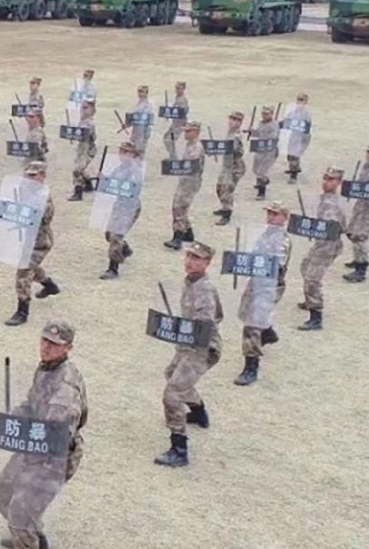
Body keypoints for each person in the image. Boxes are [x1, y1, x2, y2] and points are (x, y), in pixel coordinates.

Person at [0, 321, 87, 549]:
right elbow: (33, 403)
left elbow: (56, 434)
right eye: (44, 340)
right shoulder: (48, 366)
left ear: (68, 348)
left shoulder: (65, 388)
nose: (46, 347)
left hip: (55, 455)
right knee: (3, 490)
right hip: (34, 444)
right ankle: (34, 539)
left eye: (54, 344)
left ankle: (26, 536)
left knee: (20, 517)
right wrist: (13, 420)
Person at [155, 242, 222, 467]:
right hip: (188, 342)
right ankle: (199, 412)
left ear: (207, 263)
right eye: (189, 256)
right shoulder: (191, 282)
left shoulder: (203, 288)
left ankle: (179, 448)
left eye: (196, 258)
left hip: (201, 347)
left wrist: (182, 329)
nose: (190, 261)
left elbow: (207, 321)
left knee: (172, 393)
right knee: (172, 373)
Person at [234, 202, 291, 386]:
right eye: (269, 213)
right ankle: (267, 332)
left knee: (251, 323)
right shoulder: (265, 234)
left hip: (270, 284)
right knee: (245, 311)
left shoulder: (282, 240)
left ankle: (251, 366)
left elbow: (277, 265)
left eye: (276, 214)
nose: (271, 217)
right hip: (257, 281)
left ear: (284, 218)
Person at [6, 161, 59, 326]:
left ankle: (22, 311)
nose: (29, 179)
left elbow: (44, 218)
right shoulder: (24, 191)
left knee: (23, 273)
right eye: (27, 175)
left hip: (40, 242)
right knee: (32, 269)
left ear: (42, 176)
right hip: (26, 239)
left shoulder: (44, 197)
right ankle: (49, 285)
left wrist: (27, 207)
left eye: (33, 176)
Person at [298, 168, 348, 331]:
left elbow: (334, 227)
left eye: (331, 179)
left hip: (327, 246)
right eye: (325, 178)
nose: (326, 182)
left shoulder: (332, 204)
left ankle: (316, 316)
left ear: (338, 182)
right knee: (305, 266)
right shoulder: (326, 199)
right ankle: (309, 300)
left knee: (313, 279)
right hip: (321, 243)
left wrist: (314, 229)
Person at [343, 144, 369, 284]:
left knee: (360, 237)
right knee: (352, 233)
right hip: (361, 206)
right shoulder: (366, 167)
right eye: (368, 153)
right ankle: (357, 259)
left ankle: (361, 268)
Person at [99, 142, 142, 280]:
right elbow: (111, 182)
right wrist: (103, 178)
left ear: (133, 155)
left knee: (116, 236)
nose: (123, 155)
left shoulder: (135, 171)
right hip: (119, 205)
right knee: (109, 234)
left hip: (130, 206)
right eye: (122, 152)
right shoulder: (119, 168)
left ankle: (113, 268)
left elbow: (131, 189)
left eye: (127, 153)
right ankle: (124, 248)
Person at [164, 121, 204, 250]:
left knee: (179, 207)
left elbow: (191, 165)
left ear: (196, 132)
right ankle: (188, 233)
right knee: (182, 206)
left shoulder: (196, 147)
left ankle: (178, 237)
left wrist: (174, 167)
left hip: (190, 181)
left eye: (188, 131)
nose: (185, 134)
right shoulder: (190, 145)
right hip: (186, 180)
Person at [214, 111, 247, 226]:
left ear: (240, 122)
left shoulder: (236, 136)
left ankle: (227, 214)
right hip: (227, 166)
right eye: (231, 119)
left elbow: (235, 149)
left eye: (236, 120)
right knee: (219, 188)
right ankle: (224, 207)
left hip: (235, 167)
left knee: (227, 190)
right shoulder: (230, 132)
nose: (232, 122)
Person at [67, 101, 96, 202]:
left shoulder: (89, 123)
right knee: (82, 169)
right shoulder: (83, 121)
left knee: (77, 169)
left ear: (92, 110)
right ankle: (88, 185)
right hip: (82, 148)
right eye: (82, 108)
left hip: (87, 149)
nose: (83, 110)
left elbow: (86, 134)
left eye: (86, 108)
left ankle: (78, 192)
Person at [249, 106, 279, 200]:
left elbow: (273, 137)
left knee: (261, 172)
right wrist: (252, 131)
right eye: (263, 114)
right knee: (255, 169)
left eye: (267, 114)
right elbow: (258, 133)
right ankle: (264, 180)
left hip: (269, 151)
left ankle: (261, 193)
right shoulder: (261, 123)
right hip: (260, 149)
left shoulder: (274, 125)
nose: (264, 116)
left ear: (271, 114)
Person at [284, 93, 312, 183]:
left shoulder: (306, 113)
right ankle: (294, 167)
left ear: (306, 102)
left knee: (295, 155)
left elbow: (307, 127)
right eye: (299, 99)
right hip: (292, 135)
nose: (300, 102)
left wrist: (303, 139)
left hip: (301, 136)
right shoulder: (292, 111)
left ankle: (294, 175)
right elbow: (287, 121)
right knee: (289, 155)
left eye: (302, 100)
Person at [162, 81, 188, 159]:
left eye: (179, 88)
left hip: (179, 124)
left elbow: (182, 113)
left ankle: (174, 157)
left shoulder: (182, 100)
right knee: (166, 138)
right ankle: (173, 156)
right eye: (176, 88)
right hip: (175, 124)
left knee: (169, 140)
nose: (177, 90)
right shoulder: (177, 98)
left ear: (183, 89)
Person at [129, 85, 154, 155]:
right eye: (139, 91)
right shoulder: (138, 102)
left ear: (146, 93)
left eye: (142, 92)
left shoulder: (149, 104)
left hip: (144, 130)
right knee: (132, 149)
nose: (140, 94)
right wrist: (127, 123)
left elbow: (146, 118)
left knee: (140, 151)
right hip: (136, 129)